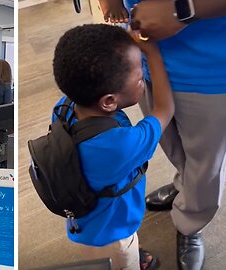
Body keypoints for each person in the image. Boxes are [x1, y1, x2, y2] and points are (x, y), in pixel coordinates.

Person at [124, 1, 226, 269]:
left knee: (207, 162)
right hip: (146, 50)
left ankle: (190, 222)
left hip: (216, 60)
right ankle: (186, 185)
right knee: (173, 145)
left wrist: (184, 8)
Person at [51, 24, 173, 270]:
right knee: (120, 259)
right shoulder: (120, 146)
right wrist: (154, 54)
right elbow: (164, 109)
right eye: (140, 78)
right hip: (112, 233)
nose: (143, 80)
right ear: (109, 101)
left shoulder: (64, 107)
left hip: (87, 219)